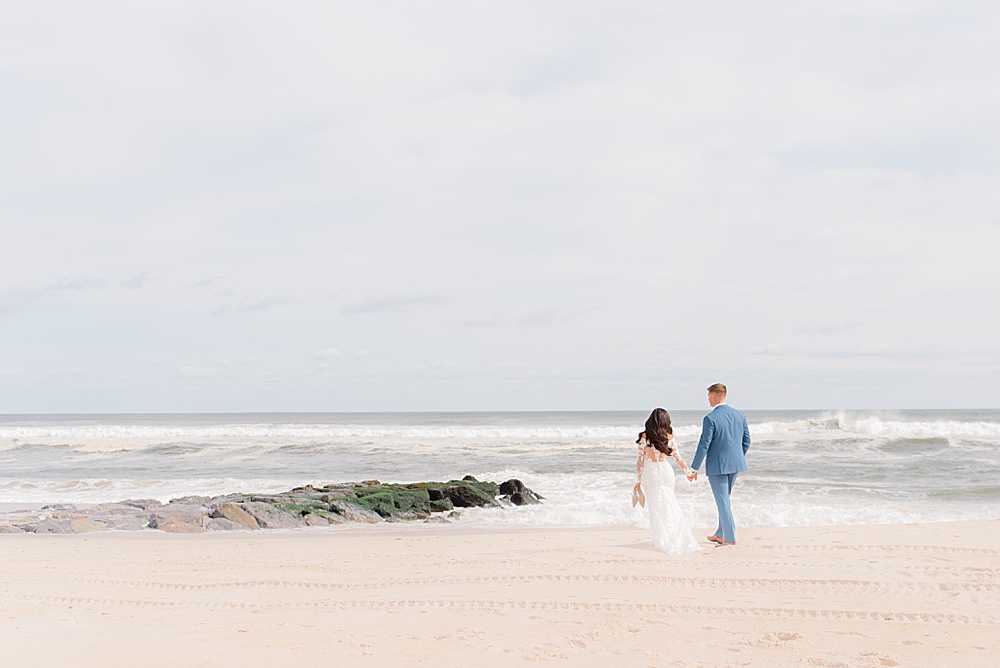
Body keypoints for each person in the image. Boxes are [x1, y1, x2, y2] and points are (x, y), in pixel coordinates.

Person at [687, 383, 751, 546]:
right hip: (735, 464)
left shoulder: (710, 418)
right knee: (724, 500)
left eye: (709, 396)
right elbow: (746, 441)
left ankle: (729, 539)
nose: (708, 399)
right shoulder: (739, 415)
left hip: (718, 466)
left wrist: (694, 468)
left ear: (714, 396)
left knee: (722, 501)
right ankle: (720, 533)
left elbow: (704, 445)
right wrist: (737, 457)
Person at [633, 408, 700, 554]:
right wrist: (689, 473)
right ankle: (672, 535)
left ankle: (660, 539)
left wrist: (638, 480)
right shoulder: (670, 437)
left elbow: (640, 462)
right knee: (669, 504)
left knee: (655, 506)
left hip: (650, 473)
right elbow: (678, 459)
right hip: (666, 472)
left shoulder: (645, 437)